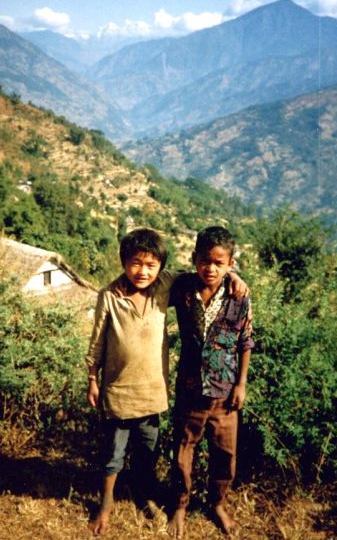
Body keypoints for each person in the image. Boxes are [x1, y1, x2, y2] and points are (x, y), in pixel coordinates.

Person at [86, 228, 248, 535]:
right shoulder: (110, 295)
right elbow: (96, 344)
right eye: (135, 263)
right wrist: (92, 379)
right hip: (118, 391)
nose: (143, 271)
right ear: (123, 261)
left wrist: (235, 277)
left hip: (152, 392)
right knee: (113, 454)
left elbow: (208, 269)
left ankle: (144, 494)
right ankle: (105, 503)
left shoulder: (164, 285)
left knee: (149, 450)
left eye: (151, 265)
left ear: (161, 266)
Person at [167, 226, 254, 538]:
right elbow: (155, 279)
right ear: (194, 259)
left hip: (225, 392)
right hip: (190, 390)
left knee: (225, 453)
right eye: (205, 261)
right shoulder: (183, 289)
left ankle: (217, 503)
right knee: (183, 450)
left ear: (230, 263)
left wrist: (241, 384)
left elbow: (246, 341)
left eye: (219, 263)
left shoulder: (239, 296)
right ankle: (179, 503)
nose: (211, 268)